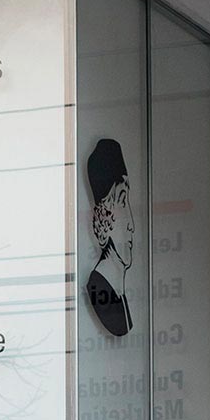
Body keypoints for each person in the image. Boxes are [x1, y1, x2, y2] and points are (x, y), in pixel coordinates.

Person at [85, 137, 134, 338]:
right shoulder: (99, 287)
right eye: (122, 201)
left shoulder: (119, 294)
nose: (132, 224)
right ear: (104, 214)